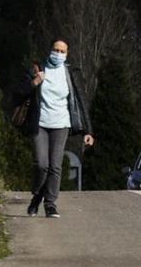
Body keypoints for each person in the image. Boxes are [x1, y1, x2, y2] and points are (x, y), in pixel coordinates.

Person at [17, 40, 95, 218]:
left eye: (62, 51)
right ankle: (37, 196)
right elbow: (19, 92)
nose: (58, 54)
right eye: (56, 50)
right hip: (40, 123)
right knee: (41, 164)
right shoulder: (37, 69)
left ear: (67, 54)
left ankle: (50, 204)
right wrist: (35, 82)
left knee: (55, 166)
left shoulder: (70, 73)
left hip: (61, 124)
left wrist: (88, 131)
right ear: (50, 50)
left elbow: (80, 102)